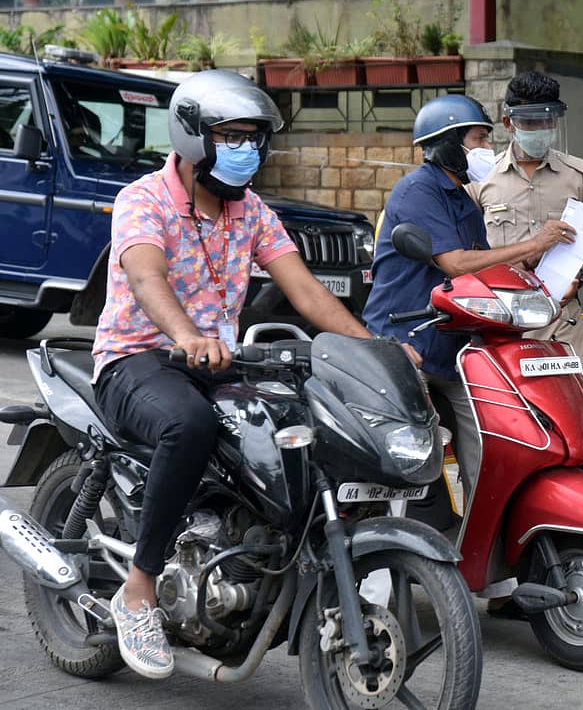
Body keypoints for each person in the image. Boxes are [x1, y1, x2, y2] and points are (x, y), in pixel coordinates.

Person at [91, 70, 403, 680]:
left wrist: (375, 350)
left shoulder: (252, 211)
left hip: (219, 361)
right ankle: (138, 590)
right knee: (188, 424)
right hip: (137, 358)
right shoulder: (143, 201)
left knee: (297, 425)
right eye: (232, 136)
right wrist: (185, 335)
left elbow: (307, 292)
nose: (247, 151)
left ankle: (262, 558)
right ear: (192, 137)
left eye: (256, 139)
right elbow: (148, 276)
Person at [363, 93, 575, 508]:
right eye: (477, 140)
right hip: (407, 341)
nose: (486, 151)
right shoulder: (417, 191)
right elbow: (457, 263)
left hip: (456, 346)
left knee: (487, 448)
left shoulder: (462, 197)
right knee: (413, 464)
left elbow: (480, 265)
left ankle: (486, 551)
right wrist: (532, 241)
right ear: (447, 143)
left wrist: (532, 268)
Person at [468, 71, 583, 370]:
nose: (541, 129)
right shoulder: (482, 181)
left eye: (547, 120)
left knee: (573, 407)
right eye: (531, 122)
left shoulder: (580, 176)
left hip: (561, 320)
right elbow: (470, 254)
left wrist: (577, 278)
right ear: (509, 123)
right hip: (503, 322)